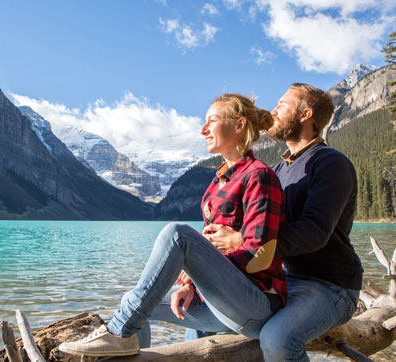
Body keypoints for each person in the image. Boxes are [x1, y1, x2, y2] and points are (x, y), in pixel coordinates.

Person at [59, 94, 287, 357]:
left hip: (257, 304)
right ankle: (126, 344)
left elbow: (261, 256)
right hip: (220, 301)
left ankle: (118, 334)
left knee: (177, 234)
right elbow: (210, 249)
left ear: (239, 125)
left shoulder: (259, 176)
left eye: (212, 121)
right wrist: (190, 284)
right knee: (132, 302)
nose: (203, 130)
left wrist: (205, 270)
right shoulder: (218, 183)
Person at [202, 83, 363, 362]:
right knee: (202, 327)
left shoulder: (330, 163)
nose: (273, 110)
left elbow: (314, 233)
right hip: (282, 280)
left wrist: (242, 239)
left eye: (282, 104)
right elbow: (257, 228)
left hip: (330, 286)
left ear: (305, 114)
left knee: (278, 339)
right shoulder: (276, 170)